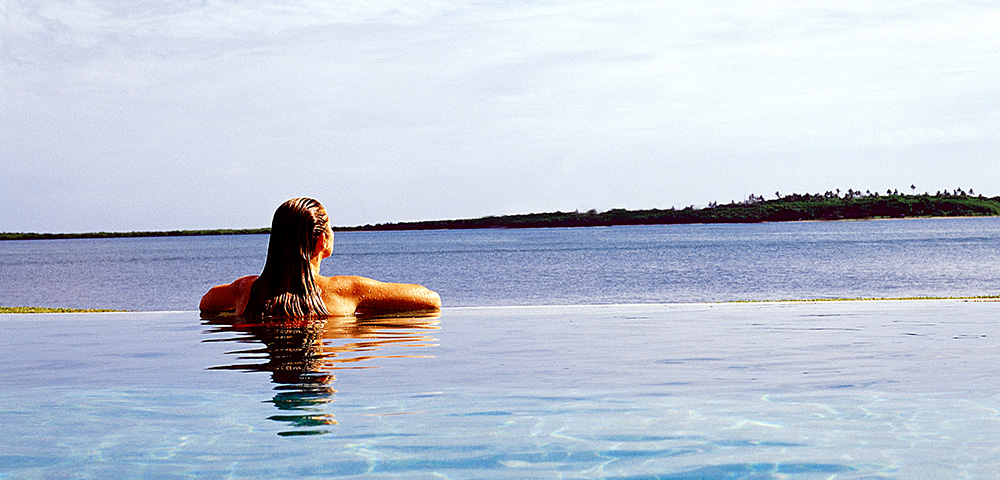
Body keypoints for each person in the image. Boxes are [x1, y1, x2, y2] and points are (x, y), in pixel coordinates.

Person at [200, 197, 441, 318]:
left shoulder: (247, 289)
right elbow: (431, 300)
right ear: (321, 241)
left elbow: (206, 303)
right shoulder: (347, 290)